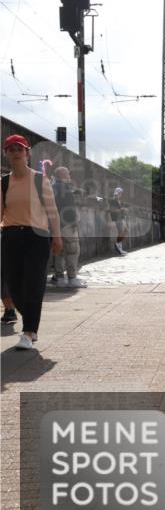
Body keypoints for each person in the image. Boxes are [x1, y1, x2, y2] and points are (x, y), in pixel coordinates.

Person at [1, 134, 63, 350]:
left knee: (33, 284)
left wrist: (57, 236)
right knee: (15, 286)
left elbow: (52, 211)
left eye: (20, 149)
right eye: (11, 150)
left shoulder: (39, 179)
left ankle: (29, 331)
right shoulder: (4, 182)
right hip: (11, 237)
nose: (16, 153)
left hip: (37, 237)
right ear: (6, 154)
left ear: (27, 153)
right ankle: (31, 318)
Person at [50, 166, 85, 288]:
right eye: (68, 175)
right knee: (72, 251)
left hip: (55, 226)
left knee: (59, 252)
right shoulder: (67, 189)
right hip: (67, 226)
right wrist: (74, 222)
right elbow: (69, 208)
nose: (70, 177)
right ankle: (72, 278)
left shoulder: (52, 188)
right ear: (64, 176)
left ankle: (59, 278)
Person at [108, 186, 128, 256]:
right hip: (116, 218)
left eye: (121, 193)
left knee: (123, 232)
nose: (121, 194)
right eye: (120, 193)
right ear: (117, 193)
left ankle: (120, 247)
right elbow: (111, 210)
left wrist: (123, 210)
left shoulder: (118, 200)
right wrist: (121, 210)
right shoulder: (113, 200)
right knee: (121, 232)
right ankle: (119, 247)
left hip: (120, 218)